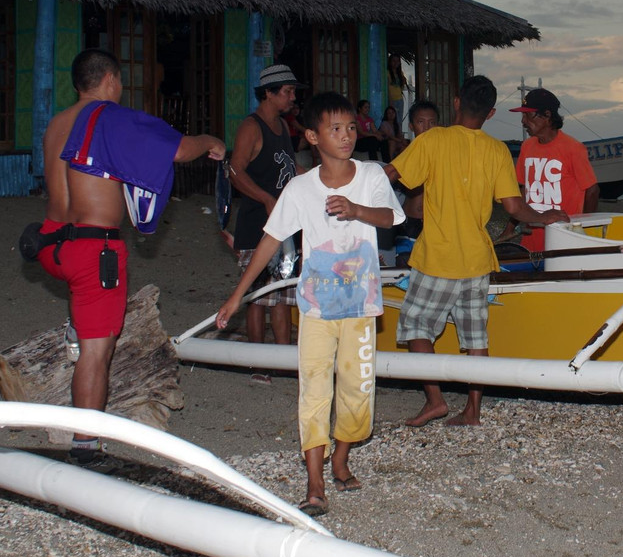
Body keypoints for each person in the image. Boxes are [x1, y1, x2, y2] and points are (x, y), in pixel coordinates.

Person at [216, 92, 404, 517]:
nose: (346, 136)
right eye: (335, 129)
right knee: (315, 391)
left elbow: (393, 218)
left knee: (357, 391)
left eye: (351, 127)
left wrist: (357, 209)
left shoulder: (371, 175)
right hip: (317, 309)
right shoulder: (300, 189)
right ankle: (315, 480)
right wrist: (237, 295)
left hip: (360, 307)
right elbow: (269, 240)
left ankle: (342, 456)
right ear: (313, 136)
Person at [36, 49, 225, 470]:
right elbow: (175, 149)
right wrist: (210, 142)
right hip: (92, 249)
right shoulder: (110, 117)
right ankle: (85, 449)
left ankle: (77, 327)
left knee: (84, 311)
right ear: (109, 81)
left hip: (52, 243)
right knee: (96, 352)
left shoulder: (56, 124)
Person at [384, 76, 569, 427]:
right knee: (475, 338)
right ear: (491, 113)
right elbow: (514, 207)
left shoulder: (434, 139)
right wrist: (546, 216)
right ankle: (472, 410)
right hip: (478, 259)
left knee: (416, 327)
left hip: (438, 256)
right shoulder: (498, 150)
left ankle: (435, 401)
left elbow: (392, 175)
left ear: (456, 102)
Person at [228, 64, 303, 356]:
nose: (292, 97)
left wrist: (319, 181)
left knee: (283, 295)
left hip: (285, 224)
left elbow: (290, 167)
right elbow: (235, 171)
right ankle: (257, 360)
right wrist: (265, 198)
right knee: (258, 296)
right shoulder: (251, 126)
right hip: (256, 223)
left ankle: (282, 359)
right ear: (269, 93)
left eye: (293, 91)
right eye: (287, 91)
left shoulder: (283, 126)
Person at [506, 88, 599, 252]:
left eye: (528, 115)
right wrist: (510, 228)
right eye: (523, 116)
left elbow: (592, 190)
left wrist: (582, 230)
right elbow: (522, 191)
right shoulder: (527, 147)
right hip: (531, 239)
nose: (523, 121)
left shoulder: (574, 149)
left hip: (562, 240)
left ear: (547, 115)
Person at [393, 100, 439, 267]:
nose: (427, 128)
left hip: (435, 225)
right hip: (409, 224)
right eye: (421, 122)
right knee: (404, 270)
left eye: (432, 123)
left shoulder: (445, 155)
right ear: (411, 126)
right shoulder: (405, 155)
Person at [387, 53, 410, 120]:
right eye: (393, 61)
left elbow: (401, 87)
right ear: (390, 62)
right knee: (392, 120)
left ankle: (399, 130)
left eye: (397, 61)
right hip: (392, 99)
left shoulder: (400, 73)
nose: (396, 63)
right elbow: (388, 88)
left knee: (399, 119)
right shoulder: (387, 73)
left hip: (399, 99)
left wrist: (403, 81)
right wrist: (390, 100)